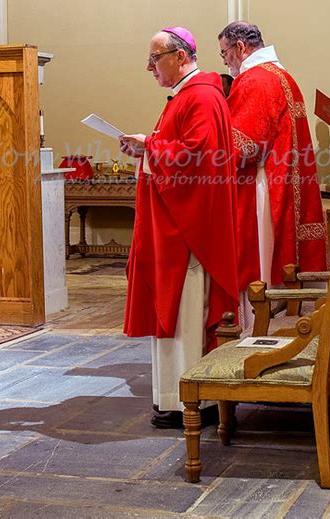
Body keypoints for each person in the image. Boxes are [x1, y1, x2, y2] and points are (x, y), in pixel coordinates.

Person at [120, 26, 239, 428]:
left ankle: (190, 401)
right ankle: (175, 397)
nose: (149, 67)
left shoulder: (201, 97)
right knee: (175, 312)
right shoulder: (190, 96)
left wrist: (149, 146)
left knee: (185, 314)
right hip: (175, 226)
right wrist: (148, 144)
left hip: (187, 234)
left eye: (155, 58)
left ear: (181, 56)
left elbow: (197, 156)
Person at [218, 21, 327, 326]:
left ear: (240, 47)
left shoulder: (254, 80)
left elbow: (244, 145)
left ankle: (258, 328)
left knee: (261, 267)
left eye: (225, 53)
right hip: (284, 179)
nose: (225, 60)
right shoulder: (283, 76)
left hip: (263, 185)